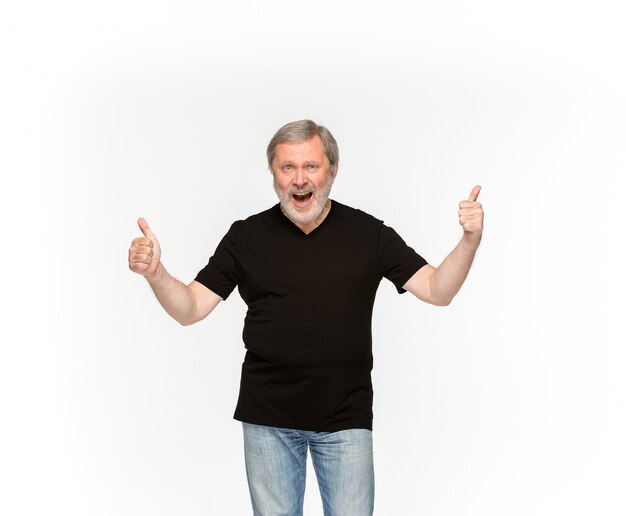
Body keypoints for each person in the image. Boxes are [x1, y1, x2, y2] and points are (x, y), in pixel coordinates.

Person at [128, 120, 484, 516]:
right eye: (287, 168)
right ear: (274, 175)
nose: (299, 180)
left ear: (332, 171)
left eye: (311, 167)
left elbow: (438, 290)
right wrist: (156, 274)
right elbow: (190, 308)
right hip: (268, 421)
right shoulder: (246, 237)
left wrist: (469, 241)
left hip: (345, 420)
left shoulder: (369, 234)